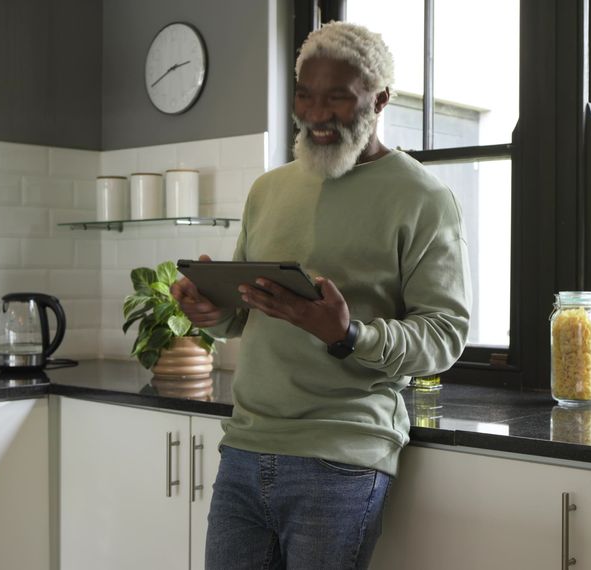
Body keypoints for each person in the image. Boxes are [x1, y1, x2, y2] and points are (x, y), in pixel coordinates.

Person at [171, 21, 471, 570]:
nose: (314, 114)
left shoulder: (423, 197)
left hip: (341, 456)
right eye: (305, 95)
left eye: (337, 97)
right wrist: (211, 311)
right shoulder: (270, 188)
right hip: (244, 446)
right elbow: (246, 316)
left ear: (380, 98)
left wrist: (348, 333)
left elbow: (445, 334)